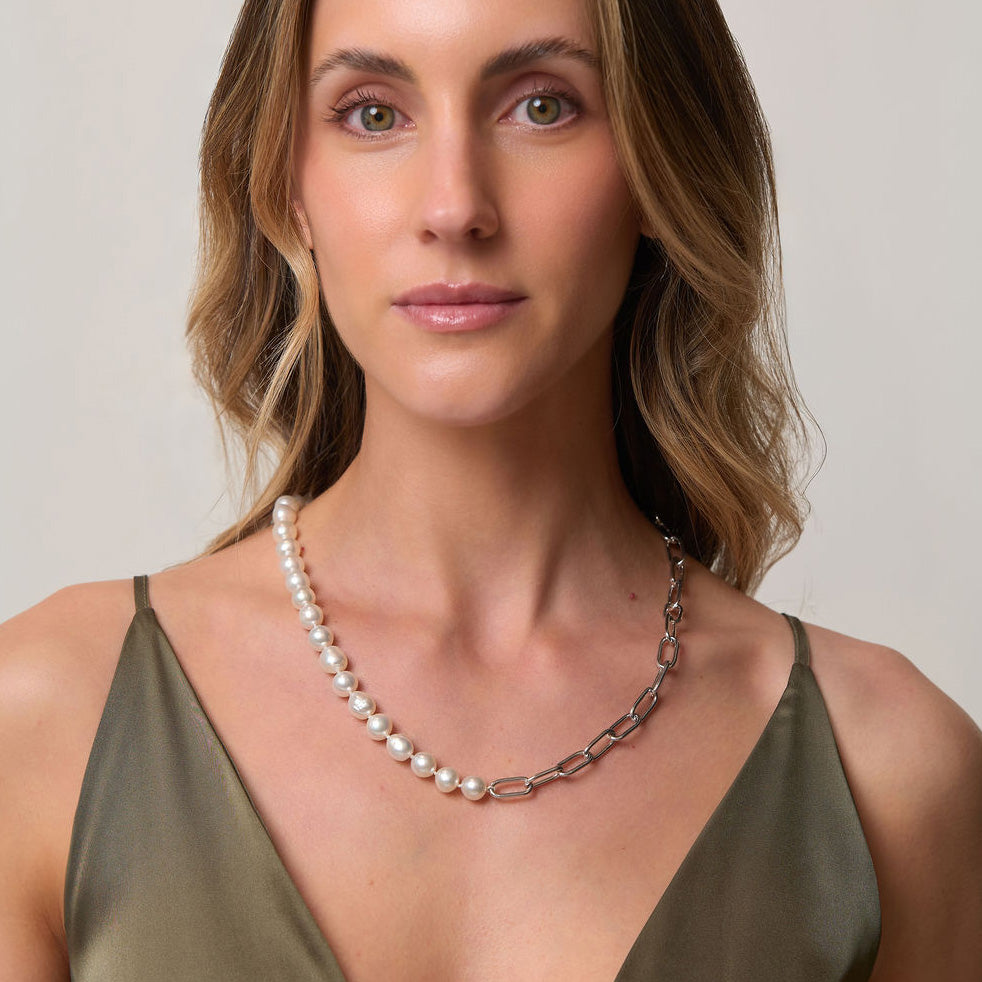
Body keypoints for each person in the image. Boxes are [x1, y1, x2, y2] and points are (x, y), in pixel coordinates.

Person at [1, 0, 980, 978]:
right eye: (373, 113)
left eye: (543, 106)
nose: (453, 206)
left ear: (654, 166)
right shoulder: (48, 721)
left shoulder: (887, 778)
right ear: (286, 183)